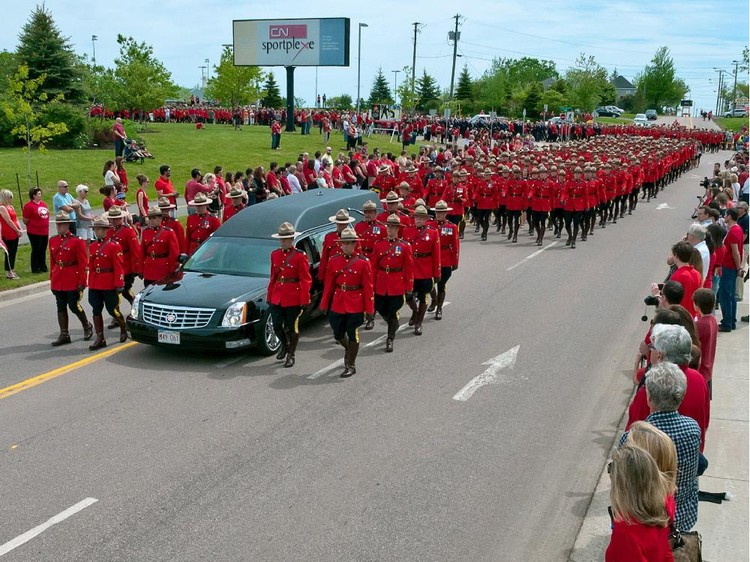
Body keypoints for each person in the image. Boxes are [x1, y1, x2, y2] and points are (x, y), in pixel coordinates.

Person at [620, 361, 701, 532]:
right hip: (682, 517)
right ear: (681, 395)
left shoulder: (632, 439)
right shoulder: (693, 429)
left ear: (649, 398)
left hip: (645, 523)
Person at [319, 227, 374, 378]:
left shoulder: (363, 263)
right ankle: (349, 349)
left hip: (356, 302)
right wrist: (324, 303)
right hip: (338, 301)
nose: (346, 246)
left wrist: (370, 309)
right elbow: (329, 284)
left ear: (355, 244)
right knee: (337, 334)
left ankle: (351, 364)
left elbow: (368, 288)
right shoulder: (334, 260)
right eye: (343, 243)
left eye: (349, 243)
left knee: (353, 333)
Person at [605, 443, 674, 562]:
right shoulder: (662, 506)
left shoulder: (626, 531)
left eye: (612, 468)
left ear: (623, 485)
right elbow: (666, 552)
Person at [267, 222, 312, 368]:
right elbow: (273, 277)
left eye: (285, 239)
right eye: (281, 239)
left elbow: (305, 279)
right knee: (276, 325)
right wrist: (270, 295)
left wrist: (305, 298)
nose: (282, 242)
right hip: (277, 295)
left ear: (292, 240)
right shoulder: (275, 254)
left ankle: (291, 354)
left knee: (292, 327)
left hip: (293, 296)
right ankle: (285, 345)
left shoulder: (299, 256)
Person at [48, 211, 92, 345]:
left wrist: (82, 281)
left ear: (67, 225)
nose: (59, 226)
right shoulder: (53, 240)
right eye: (58, 224)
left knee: (73, 305)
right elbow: (52, 261)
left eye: (62, 224)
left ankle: (86, 325)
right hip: (58, 279)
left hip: (72, 278)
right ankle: (64, 334)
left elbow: (83, 263)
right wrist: (52, 277)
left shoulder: (76, 241)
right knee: (60, 307)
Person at [372, 214, 414, 352]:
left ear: (398, 229)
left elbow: (408, 268)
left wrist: (409, 287)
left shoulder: (405, 246)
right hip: (381, 282)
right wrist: (371, 283)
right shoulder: (379, 245)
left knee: (392, 310)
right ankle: (393, 323)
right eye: (388, 227)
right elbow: (373, 266)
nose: (390, 230)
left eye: (393, 227)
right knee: (382, 309)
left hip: (397, 283)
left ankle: (390, 338)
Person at [88, 214, 127, 350]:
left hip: (109, 282)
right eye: (95, 229)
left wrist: (119, 284)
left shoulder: (113, 246)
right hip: (96, 283)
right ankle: (100, 338)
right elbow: (91, 266)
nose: (96, 231)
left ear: (105, 229)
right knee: (96, 310)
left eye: (98, 229)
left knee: (112, 310)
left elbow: (118, 266)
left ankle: (123, 327)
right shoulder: (92, 246)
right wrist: (90, 283)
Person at [402, 205, 441, 336]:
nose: (418, 219)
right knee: (408, 296)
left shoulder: (433, 232)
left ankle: (419, 322)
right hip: (411, 268)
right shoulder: (407, 231)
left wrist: (437, 273)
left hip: (425, 270)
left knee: (424, 297)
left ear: (426, 219)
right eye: (416, 217)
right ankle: (415, 311)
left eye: (421, 217)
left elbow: (436, 255)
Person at [105, 207, 142, 325]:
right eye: (112, 219)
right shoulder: (109, 231)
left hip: (125, 266)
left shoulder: (128, 231)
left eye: (116, 218)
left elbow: (135, 251)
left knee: (125, 291)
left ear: (121, 218)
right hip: (113, 268)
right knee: (113, 293)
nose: (114, 221)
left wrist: (135, 268)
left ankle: (136, 307)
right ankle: (116, 316)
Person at [427, 200, 460, 320]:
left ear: (446, 213)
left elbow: (455, 246)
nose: (439, 215)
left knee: (441, 285)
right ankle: (434, 299)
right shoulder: (430, 225)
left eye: (441, 212)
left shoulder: (451, 227)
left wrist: (455, 262)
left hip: (445, 258)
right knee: (429, 283)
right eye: (437, 212)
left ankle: (439, 308)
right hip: (431, 259)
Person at [718, 208, 744, 332]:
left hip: (728, 267)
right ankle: (731, 320)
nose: (724, 217)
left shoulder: (733, 232)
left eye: (726, 215)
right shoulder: (738, 229)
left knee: (725, 296)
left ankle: (727, 322)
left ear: (729, 217)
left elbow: (735, 252)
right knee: (731, 296)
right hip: (730, 267)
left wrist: (739, 267)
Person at [140, 206, 180, 286]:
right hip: (149, 269)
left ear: (160, 218)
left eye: (154, 218)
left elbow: (174, 254)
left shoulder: (168, 233)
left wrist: (172, 271)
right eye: (150, 218)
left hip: (163, 269)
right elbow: (142, 253)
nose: (151, 221)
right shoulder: (145, 232)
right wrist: (141, 269)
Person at [318, 208, 356, 283]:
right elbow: (324, 258)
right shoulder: (329, 237)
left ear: (347, 224)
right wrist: (321, 276)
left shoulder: (353, 238)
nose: (341, 226)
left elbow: (357, 257)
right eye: (339, 223)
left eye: (343, 224)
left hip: (348, 274)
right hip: (332, 273)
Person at [692, 288, 717, 397]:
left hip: (700, 371)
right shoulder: (712, 320)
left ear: (697, 305)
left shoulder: (700, 325)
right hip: (708, 371)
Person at [668, 240, 702, 317]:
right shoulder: (696, 274)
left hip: (680, 316)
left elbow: (671, 302)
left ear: (676, 256)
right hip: (694, 316)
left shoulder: (677, 276)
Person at [22, 186, 50, 273]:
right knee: (36, 249)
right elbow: (25, 219)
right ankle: (35, 267)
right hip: (34, 232)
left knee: (43, 249)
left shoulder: (43, 204)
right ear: (34, 196)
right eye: (39, 194)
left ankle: (43, 266)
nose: (40, 195)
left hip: (44, 231)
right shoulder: (28, 206)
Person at [0, 189, 23, 280]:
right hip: (8, 231)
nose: (11, 199)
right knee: (9, 252)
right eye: (10, 197)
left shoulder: (11, 207)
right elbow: (8, 220)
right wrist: (16, 229)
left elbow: (16, 218)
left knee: (14, 251)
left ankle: (12, 269)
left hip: (14, 231)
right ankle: (9, 271)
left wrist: (20, 228)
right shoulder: (2, 208)